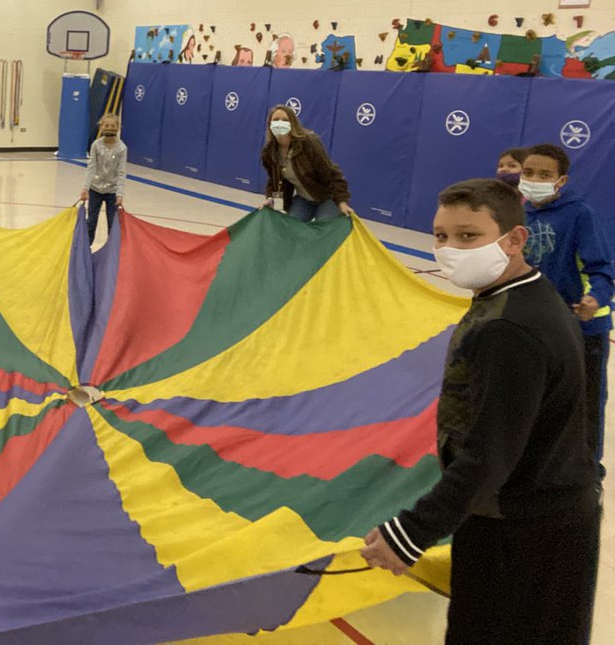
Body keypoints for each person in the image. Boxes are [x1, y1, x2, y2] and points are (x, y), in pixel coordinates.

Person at [360, 178, 599, 644]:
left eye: (468, 236)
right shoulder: (527, 296)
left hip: (526, 530)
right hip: (542, 512)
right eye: (441, 235)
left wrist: (409, 532)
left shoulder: (507, 328)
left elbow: (490, 455)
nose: (450, 249)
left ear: (514, 239)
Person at [518, 143, 614, 476]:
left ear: (561, 181)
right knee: (540, 399)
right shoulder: (520, 215)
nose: (534, 179)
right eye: (528, 173)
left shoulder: (579, 214)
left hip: (584, 329)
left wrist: (595, 300)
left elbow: (602, 268)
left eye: (545, 175)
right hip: (537, 327)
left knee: (585, 404)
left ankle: (588, 471)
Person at [259, 105, 351, 221]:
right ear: (269, 124)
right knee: (292, 226)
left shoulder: (308, 142)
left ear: (293, 123)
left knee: (322, 228)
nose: (280, 123)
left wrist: (342, 201)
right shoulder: (269, 152)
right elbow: (275, 182)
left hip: (327, 197)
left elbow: (331, 173)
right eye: (276, 120)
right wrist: (273, 202)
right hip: (303, 199)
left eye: (285, 120)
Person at [80, 113, 126, 244]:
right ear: (101, 127)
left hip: (112, 192)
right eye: (106, 125)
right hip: (95, 189)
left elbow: (121, 172)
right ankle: (86, 249)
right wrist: (85, 188)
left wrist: (120, 193)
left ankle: (111, 252)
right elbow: (91, 168)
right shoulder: (96, 145)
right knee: (91, 222)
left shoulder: (122, 148)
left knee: (112, 223)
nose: (109, 128)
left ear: (117, 127)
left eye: (112, 125)